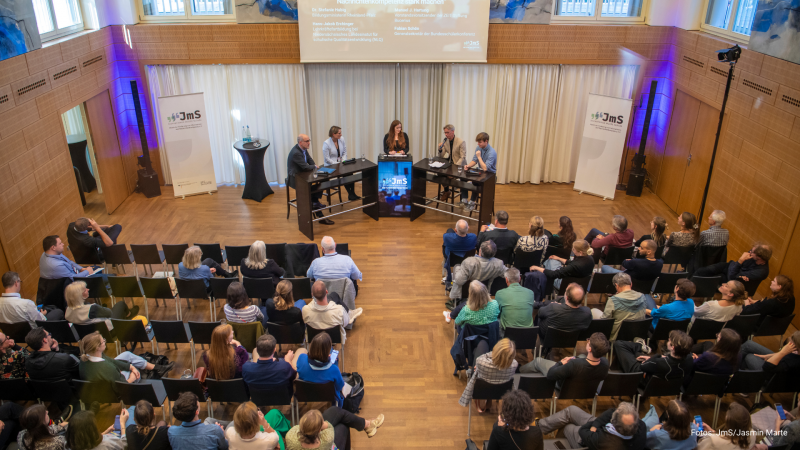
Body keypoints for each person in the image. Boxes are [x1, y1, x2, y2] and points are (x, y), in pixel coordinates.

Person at [536, 402, 646, 450]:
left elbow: (583, 431)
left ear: (613, 423)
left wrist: (594, 426)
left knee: (567, 427)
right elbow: (612, 411)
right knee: (571, 410)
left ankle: (560, 444)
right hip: (598, 430)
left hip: (590, 438)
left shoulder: (602, 440)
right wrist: (597, 424)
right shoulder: (641, 426)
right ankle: (539, 426)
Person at [78, 331, 171, 387]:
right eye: (103, 341)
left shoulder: (85, 358)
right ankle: (156, 370)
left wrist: (130, 367)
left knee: (127, 355)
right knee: (136, 370)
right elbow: (122, 386)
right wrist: (132, 376)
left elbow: (111, 361)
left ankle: (158, 368)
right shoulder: (107, 368)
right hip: (117, 388)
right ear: (97, 347)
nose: (105, 342)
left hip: (104, 380)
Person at [25, 327, 81, 415]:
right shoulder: (63, 359)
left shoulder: (28, 362)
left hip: (50, 395)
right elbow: (79, 371)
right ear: (45, 340)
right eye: (49, 334)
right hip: (71, 394)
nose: (51, 336)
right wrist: (59, 352)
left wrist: (57, 350)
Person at [521, 332, 609, 386]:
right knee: (582, 356)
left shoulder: (574, 364)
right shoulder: (606, 364)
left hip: (563, 386)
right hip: (584, 387)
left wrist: (560, 363)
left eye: (588, 341)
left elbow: (551, 374)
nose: (587, 341)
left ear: (590, 349)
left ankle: (519, 371)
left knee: (538, 361)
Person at [614, 330, 693, 387]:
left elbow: (642, 366)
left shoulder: (657, 362)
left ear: (673, 348)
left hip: (642, 379)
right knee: (637, 354)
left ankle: (640, 346)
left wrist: (652, 358)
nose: (668, 341)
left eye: (669, 341)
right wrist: (651, 359)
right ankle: (640, 347)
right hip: (666, 386)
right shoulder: (690, 359)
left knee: (619, 344)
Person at [459, 339, 518, 412]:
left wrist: (494, 354)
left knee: (482, 343)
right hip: (500, 390)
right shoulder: (514, 364)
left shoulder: (481, 362)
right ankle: (489, 400)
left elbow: (480, 358)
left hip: (482, 389)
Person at [287, 134, 334, 225]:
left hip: (304, 174)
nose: (309, 143)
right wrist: (314, 167)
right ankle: (319, 214)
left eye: (309, 140)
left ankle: (315, 204)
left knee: (324, 178)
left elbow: (310, 160)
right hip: (296, 178)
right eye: (307, 141)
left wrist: (314, 167)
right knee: (312, 192)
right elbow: (305, 167)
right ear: (300, 142)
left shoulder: (303, 149)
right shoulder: (296, 153)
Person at [285, 407, 384, 450]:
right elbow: (328, 426)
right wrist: (321, 423)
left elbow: (298, 428)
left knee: (334, 411)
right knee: (343, 425)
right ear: (320, 430)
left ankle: (367, 425)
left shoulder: (290, 437)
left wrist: (314, 425)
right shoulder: (327, 438)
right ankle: (368, 425)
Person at [448, 240, 505, 308]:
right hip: (486, 293)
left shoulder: (469, 262)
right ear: (494, 253)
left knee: (456, 269)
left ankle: (449, 286)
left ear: (480, 250)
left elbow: (459, 281)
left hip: (469, 293)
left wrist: (457, 271)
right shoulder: (498, 264)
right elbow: (509, 274)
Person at [295, 332, 347, 407]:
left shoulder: (301, 358)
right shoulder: (334, 369)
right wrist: (332, 362)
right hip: (328, 396)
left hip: (306, 394)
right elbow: (339, 387)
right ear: (328, 352)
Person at [595, 272, 647, 340]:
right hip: (637, 334)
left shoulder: (613, 300)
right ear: (631, 284)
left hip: (617, 337)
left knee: (594, 311)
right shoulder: (642, 296)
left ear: (616, 285)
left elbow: (605, 320)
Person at [528, 240, 595, 292]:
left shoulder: (574, 266)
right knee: (553, 260)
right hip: (582, 285)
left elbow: (554, 274)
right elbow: (573, 263)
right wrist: (559, 258)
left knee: (550, 262)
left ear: (580, 252)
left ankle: (542, 280)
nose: (572, 250)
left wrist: (536, 267)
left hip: (565, 285)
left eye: (574, 249)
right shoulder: (590, 259)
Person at [694, 243, 772, 285]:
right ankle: (687, 285)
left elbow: (732, 278)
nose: (749, 252)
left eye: (752, 252)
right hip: (729, 267)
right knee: (702, 271)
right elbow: (735, 272)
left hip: (731, 280)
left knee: (707, 279)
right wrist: (738, 266)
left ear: (760, 257)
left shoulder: (760, 272)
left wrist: (740, 261)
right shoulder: (753, 255)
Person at [64, 281, 138, 324]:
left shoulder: (67, 311)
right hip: (107, 331)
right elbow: (109, 313)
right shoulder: (92, 308)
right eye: (85, 290)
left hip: (88, 335)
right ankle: (129, 315)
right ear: (80, 295)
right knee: (121, 304)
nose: (88, 289)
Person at [460, 132, 497, 210]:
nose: (478, 144)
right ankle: (464, 199)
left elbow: (485, 168)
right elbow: (474, 160)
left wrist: (479, 157)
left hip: (490, 175)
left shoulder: (492, 152)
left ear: (486, 141)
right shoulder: (478, 148)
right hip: (481, 172)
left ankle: (472, 202)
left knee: (476, 181)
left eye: (480, 142)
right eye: (477, 142)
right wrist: (468, 166)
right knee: (463, 176)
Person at [322, 126, 359, 201]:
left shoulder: (341, 139)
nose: (341, 134)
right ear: (333, 134)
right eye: (339, 133)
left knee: (350, 173)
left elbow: (345, 151)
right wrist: (337, 164)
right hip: (331, 165)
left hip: (341, 163)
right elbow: (327, 158)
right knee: (345, 174)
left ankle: (352, 193)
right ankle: (351, 194)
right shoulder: (326, 143)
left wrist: (344, 161)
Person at [442, 219, 478, 286]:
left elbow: (446, 236)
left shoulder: (447, 237)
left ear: (455, 230)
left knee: (449, 230)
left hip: (451, 260)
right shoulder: (473, 237)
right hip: (467, 260)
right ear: (468, 228)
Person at [436, 124, 466, 201]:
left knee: (448, 176)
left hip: (459, 165)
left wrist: (455, 167)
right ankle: (447, 191)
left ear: (453, 131)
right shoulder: (445, 141)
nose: (446, 134)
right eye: (445, 132)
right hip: (450, 164)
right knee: (439, 172)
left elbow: (463, 157)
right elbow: (441, 156)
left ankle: (453, 188)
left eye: (447, 132)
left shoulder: (461, 142)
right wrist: (440, 149)